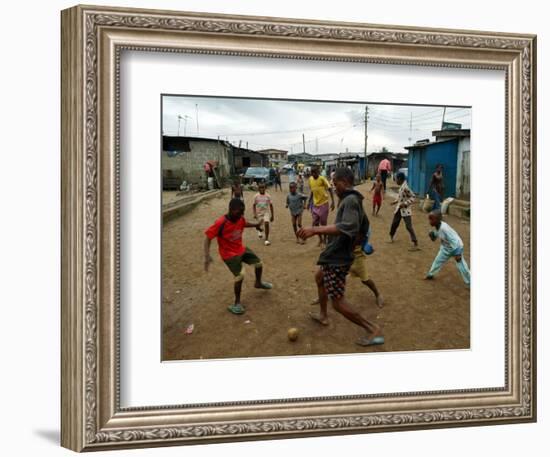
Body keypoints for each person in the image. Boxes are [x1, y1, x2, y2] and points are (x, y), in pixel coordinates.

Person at [298, 167, 384, 347]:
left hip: (339, 258)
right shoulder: (352, 199)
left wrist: (315, 229)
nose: (333, 187)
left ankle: (373, 329)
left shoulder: (351, 200)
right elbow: (362, 227)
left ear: (344, 182)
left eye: (335, 184)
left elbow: (349, 227)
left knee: (337, 302)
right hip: (337, 253)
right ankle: (323, 316)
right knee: (319, 277)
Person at [204, 198, 273, 315]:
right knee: (240, 275)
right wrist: (207, 256)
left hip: (240, 249)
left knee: (258, 263)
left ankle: (258, 282)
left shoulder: (240, 218)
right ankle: (236, 304)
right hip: (228, 254)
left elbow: (244, 223)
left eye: (242, 212)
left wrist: (256, 225)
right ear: (230, 210)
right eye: (238, 212)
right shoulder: (221, 223)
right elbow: (208, 238)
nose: (241, 215)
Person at [425, 210, 470, 285]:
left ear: (438, 220)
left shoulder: (444, 228)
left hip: (455, 248)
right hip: (445, 249)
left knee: (462, 266)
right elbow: (434, 238)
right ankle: (430, 275)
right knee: (437, 261)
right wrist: (432, 235)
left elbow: (456, 240)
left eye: (432, 219)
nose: (430, 221)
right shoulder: (437, 226)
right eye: (429, 219)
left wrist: (458, 253)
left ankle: (470, 281)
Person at [389, 171, 419, 251]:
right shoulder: (402, 186)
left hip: (406, 210)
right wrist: (395, 202)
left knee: (408, 226)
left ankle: (415, 242)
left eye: (396, 179)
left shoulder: (405, 187)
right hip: (399, 209)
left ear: (400, 179)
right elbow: (400, 197)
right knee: (394, 223)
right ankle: (391, 236)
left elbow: (413, 197)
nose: (395, 181)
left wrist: (405, 204)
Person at [307, 166, 335, 247]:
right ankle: (321, 239)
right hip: (315, 205)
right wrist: (309, 202)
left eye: (315, 172)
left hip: (324, 204)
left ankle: (325, 240)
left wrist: (333, 201)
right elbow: (312, 191)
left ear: (318, 172)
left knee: (323, 224)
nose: (313, 174)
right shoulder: (310, 179)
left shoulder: (322, 179)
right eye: (312, 172)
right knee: (315, 223)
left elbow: (330, 189)